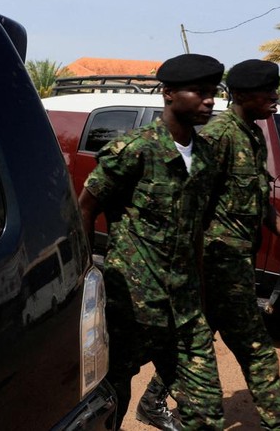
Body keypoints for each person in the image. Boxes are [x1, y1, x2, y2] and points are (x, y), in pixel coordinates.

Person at [138, 59, 280, 431]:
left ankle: (153, 401)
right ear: (244, 95)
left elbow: (262, 206)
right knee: (256, 349)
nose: (276, 99)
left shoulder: (251, 135)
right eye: (269, 92)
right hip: (215, 266)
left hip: (235, 266)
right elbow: (191, 207)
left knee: (202, 341)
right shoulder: (219, 136)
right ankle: (279, 424)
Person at [78, 53, 226, 430]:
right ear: (169, 93)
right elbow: (86, 206)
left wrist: (203, 295)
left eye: (213, 92)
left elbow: (196, 231)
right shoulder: (134, 150)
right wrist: (85, 277)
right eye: (200, 92)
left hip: (186, 305)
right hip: (133, 301)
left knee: (206, 405)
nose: (210, 100)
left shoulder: (207, 157)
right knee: (113, 392)